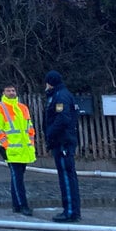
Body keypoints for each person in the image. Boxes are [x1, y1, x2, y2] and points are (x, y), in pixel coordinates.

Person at [0, 84, 36, 216]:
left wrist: (31, 142)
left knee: (18, 178)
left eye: (13, 90)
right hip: (11, 150)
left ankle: (17, 205)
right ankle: (22, 205)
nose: (11, 92)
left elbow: (29, 127)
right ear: (3, 92)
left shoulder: (22, 108)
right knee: (17, 178)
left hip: (23, 149)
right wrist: (5, 145)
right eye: (8, 90)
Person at [44, 70, 81, 222]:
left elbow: (63, 118)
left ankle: (71, 211)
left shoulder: (60, 96)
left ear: (50, 82)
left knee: (66, 176)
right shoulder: (59, 95)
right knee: (66, 176)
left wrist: (50, 134)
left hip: (63, 142)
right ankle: (71, 209)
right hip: (61, 141)